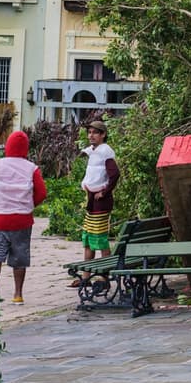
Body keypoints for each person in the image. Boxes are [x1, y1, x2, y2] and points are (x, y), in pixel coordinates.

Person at [0, 129, 46, 305]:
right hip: (22, 220)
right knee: (19, 258)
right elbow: (41, 193)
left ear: (7, 147)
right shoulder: (32, 168)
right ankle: (18, 294)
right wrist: (29, 204)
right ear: (25, 148)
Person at [71, 119, 120, 287]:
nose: (91, 135)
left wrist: (104, 191)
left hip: (101, 203)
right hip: (91, 201)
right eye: (89, 132)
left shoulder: (106, 152)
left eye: (95, 132)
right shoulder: (94, 151)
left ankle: (104, 277)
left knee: (100, 238)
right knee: (88, 238)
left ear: (103, 135)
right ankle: (86, 277)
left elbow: (114, 175)